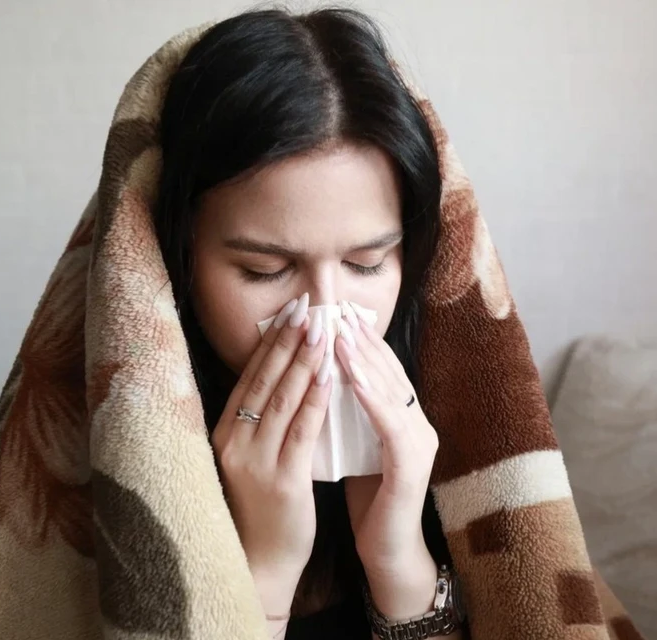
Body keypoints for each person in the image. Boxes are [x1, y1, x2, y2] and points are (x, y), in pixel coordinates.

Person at [152, 7, 465, 640]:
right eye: (265, 270)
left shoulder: (456, 411)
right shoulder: (127, 438)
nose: (325, 316)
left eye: (366, 263)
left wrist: (398, 561)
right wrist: (266, 572)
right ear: (179, 255)